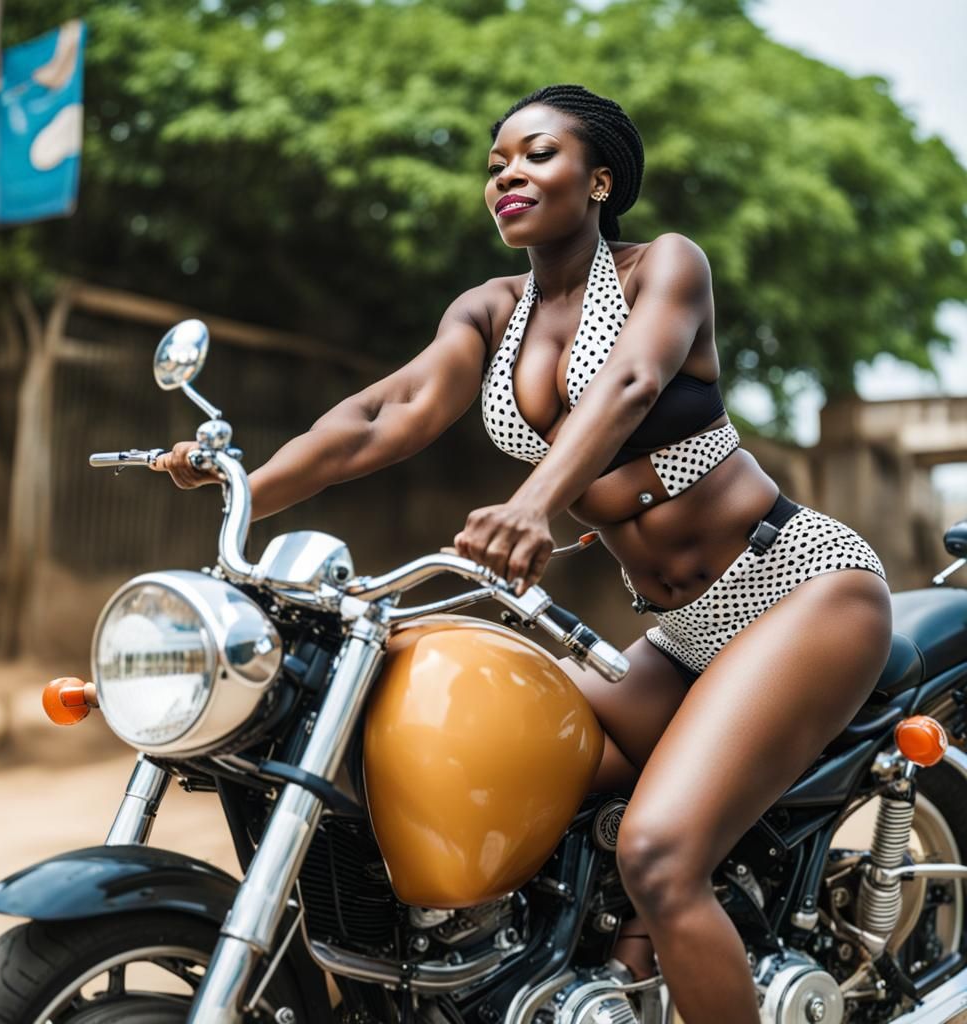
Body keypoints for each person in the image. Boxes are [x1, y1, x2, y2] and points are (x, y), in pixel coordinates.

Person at [154, 84, 892, 1023]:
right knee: (497, 792)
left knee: (660, 858)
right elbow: (385, 415)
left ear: (600, 179)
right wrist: (245, 492)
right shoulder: (490, 311)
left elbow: (629, 381)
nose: (509, 173)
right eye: (496, 163)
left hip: (798, 586)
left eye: (537, 154)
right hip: (681, 630)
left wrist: (535, 501)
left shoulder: (663, 267)